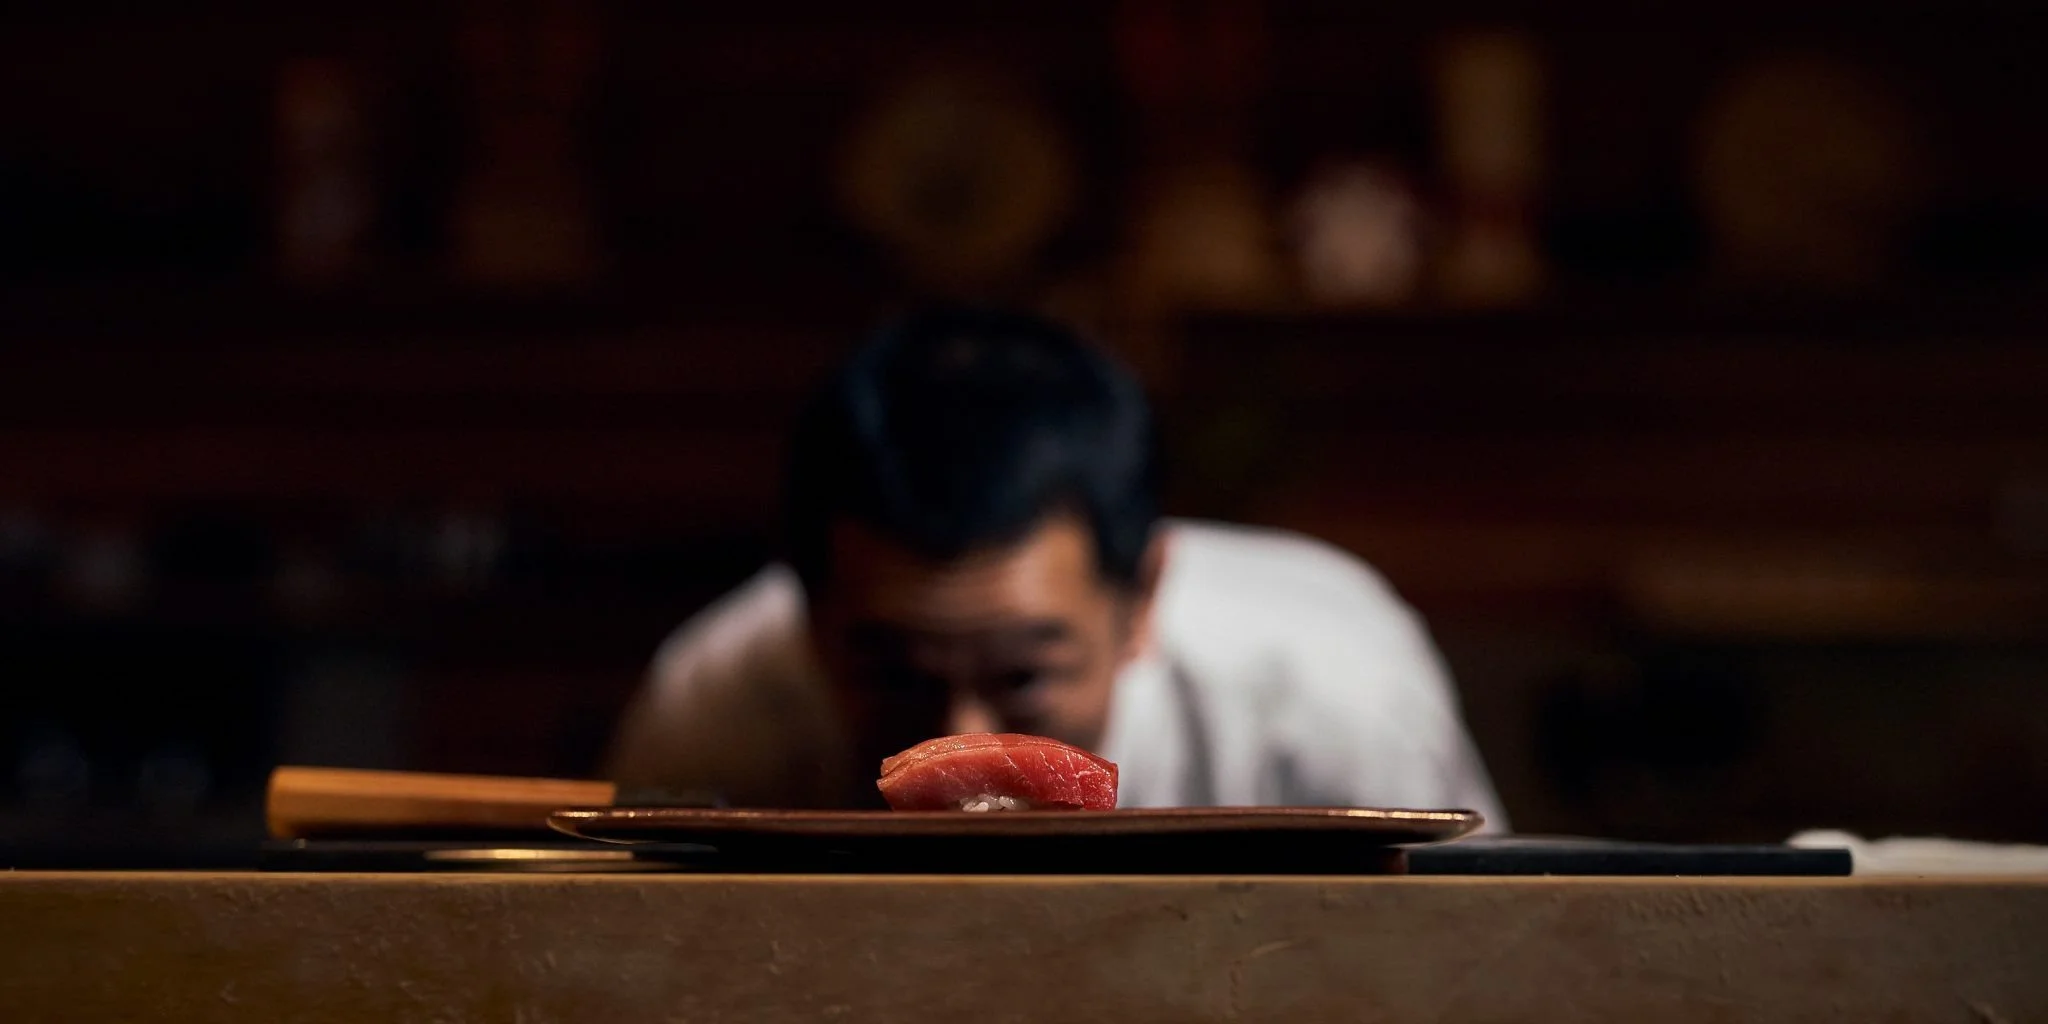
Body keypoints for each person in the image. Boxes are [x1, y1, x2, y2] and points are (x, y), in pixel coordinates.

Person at [605, 307, 1507, 828]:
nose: (960, 749)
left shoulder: (1332, 704)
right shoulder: (712, 713)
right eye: (895, 678)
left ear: (1143, 597)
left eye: (1023, 677)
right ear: (805, 613)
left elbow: (1472, 970)